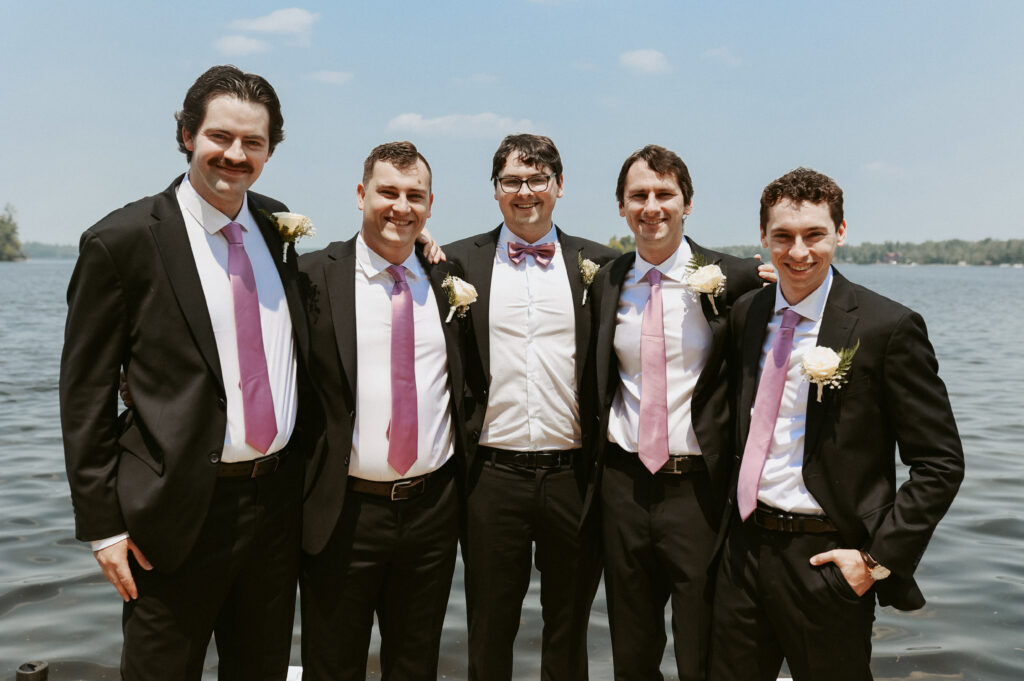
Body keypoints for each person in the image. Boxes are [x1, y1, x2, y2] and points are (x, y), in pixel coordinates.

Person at [59, 65, 311, 680]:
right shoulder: (120, 241)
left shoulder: (276, 225)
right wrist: (102, 528)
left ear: (270, 151)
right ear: (187, 134)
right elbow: (85, 394)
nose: (235, 155)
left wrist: (417, 246)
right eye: (220, 136)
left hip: (276, 509)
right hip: (172, 517)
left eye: (253, 142)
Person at [710, 168, 965, 681]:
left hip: (827, 560)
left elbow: (940, 463)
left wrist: (873, 561)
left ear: (841, 232)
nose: (798, 251)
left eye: (814, 235)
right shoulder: (747, 314)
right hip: (742, 553)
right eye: (783, 236)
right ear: (763, 236)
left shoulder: (887, 326)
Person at [298, 141, 482, 681]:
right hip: (343, 514)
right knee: (333, 667)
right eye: (388, 192)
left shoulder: (450, 281)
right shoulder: (312, 275)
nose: (401, 207)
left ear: (430, 205)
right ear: (361, 195)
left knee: (416, 665)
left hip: (432, 513)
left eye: (414, 196)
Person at [585, 144, 767, 681]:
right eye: (638, 195)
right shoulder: (606, 281)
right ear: (621, 206)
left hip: (698, 490)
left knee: (701, 647)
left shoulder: (735, 277)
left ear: (687, 203)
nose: (651, 207)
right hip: (622, 485)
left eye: (664, 194)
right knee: (631, 648)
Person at [443, 134, 618, 681]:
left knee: (569, 629)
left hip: (574, 476)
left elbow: (675, 273)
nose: (525, 192)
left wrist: (752, 276)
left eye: (538, 179)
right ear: (495, 189)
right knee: (489, 626)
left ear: (559, 186)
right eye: (512, 181)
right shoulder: (456, 261)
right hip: (492, 476)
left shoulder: (602, 265)